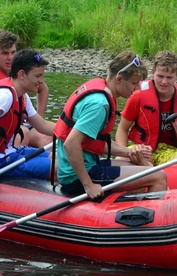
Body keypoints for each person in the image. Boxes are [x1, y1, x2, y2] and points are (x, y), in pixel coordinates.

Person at [54, 51, 168, 199]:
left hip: (89, 165)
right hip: (77, 177)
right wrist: (88, 185)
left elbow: (96, 142)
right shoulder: (99, 105)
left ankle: (127, 213)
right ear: (119, 79)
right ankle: (153, 219)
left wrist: (128, 152)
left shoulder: (102, 93)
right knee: (159, 176)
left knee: (142, 169)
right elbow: (71, 143)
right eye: (134, 83)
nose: (137, 88)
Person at [0, 49, 56, 187]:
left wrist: (73, 131)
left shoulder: (22, 96)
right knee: (58, 167)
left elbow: (42, 125)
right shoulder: (4, 96)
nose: (41, 81)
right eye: (38, 76)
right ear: (22, 74)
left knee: (57, 158)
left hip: (10, 152)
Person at [115, 50, 177, 169]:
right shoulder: (137, 97)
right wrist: (124, 151)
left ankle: (165, 181)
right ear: (153, 73)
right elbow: (122, 128)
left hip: (173, 152)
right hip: (143, 148)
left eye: (169, 77)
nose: (164, 82)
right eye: (160, 76)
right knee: (119, 161)